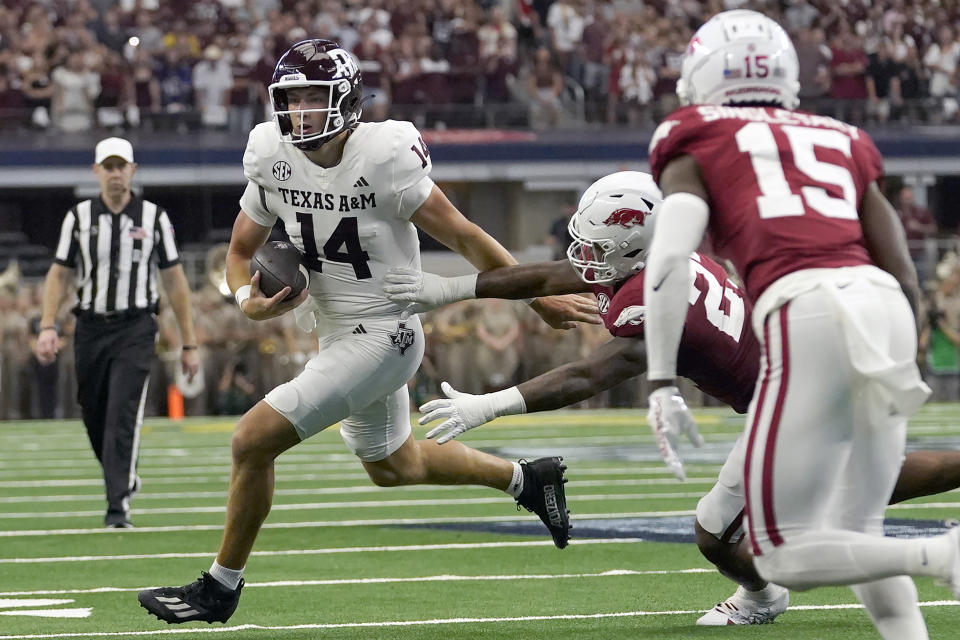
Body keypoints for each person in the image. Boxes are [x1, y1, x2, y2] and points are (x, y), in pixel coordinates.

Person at [137, 39, 598, 625]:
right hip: (335, 333)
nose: (299, 112)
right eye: (290, 99)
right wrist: (245, 299)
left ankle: (219, 588)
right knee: (393, 466)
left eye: (312, 98)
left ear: (347, 101)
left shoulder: (383, 157)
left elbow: (466, 237)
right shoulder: (272, 156)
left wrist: (538, 299)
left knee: (251, 440)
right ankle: (526, 479)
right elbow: (238, 252)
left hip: (386, 333)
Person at [383, 170, 960, 626]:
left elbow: (588, 376)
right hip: (800, 379)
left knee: (743, 524)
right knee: (839, 492)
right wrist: (448, 288)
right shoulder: (655, 257)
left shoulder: (652, 293)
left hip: (799, 403)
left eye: (596, 248)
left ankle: (763, 599)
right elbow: (545, 277)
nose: (583, 259)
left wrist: (490, 405)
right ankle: (764, 593)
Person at [642, 11, 958, 638]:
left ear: (704, 73)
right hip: (881, 303)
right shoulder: (842, 133)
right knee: (856, 527)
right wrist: (910, 338)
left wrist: (658, 379)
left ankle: (940, 553)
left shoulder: (693, 131)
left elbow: (671, 258)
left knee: (778, 550)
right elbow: (895, 256)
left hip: (803, 305)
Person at [34, 137, 200, 528]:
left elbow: (175, 282)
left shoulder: (154, 218)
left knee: (122, 415)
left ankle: (117, 507)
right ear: (96, 172)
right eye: (107, 166)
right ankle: (123, 475)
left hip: (136, 327)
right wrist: (47, 325)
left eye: (120, 166)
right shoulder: (78, 217)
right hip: (90, 326)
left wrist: (189, 343)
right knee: (93, 415)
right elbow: (59, 274)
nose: (114, 173)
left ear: (132, 170)